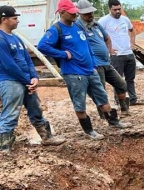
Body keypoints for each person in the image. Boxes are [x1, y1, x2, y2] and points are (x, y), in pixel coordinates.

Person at [38, 0, 130, 140]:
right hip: (74, 73)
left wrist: (93, 64)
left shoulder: (78, 27)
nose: (75, 14)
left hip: (90, 70)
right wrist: (63, 54)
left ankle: (114, 122)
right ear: (62, 12)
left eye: (75, 11)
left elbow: (87, 47)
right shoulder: (56, 29)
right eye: (71, 12)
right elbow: (42, 46)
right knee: (80, 103)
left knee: (102, 97)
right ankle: (89, 131)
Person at [0, 5, 65, 152]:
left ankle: (47, 138)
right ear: (4, 19)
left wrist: (34, 77)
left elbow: (28, 60)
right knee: (10, 113)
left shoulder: (16, 38)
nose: (17, 21)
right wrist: (27, 81)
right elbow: (9, 66)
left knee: (36, 110)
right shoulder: (1, 39)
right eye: (15, 18)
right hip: (10, 82)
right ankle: (4, 148)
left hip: (26, 81)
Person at [75, 0, 131, 117]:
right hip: (95, 64)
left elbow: (107, 38)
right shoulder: (77, 27)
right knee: (101, 91)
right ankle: (104, 115)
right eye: (87, 13)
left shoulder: (96, 25)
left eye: (91, 12)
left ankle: (124, 109)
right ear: (79, 14)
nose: (90, 15)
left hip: (106, 62)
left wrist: (109, 50)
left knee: (121, 84)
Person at [98, 0, 143, 105]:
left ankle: (132, 99)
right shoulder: (103, 21)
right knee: (117, 80)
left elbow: (132, 31)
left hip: (128, 54)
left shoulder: (125, 19)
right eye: (115, 10)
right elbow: (98, 36)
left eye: (119, 9)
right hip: (116, 56)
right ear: (110, 9)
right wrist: (108, 49)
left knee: (130, 79)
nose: (118, 11)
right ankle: (120, 101)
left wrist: (132, 44)